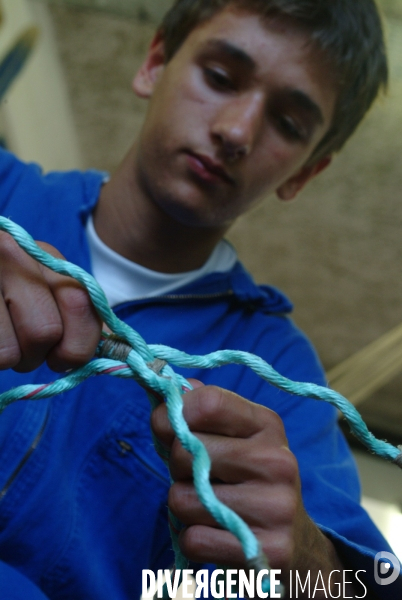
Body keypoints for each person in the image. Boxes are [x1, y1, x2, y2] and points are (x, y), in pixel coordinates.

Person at [0, 0, 400, 598]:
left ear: (305, 173)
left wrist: (309, 562)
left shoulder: (278, 378)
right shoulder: (8, 198)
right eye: (219, 78)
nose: (236, 131)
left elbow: (369, 586)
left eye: (289, 124)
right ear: (155, 62)